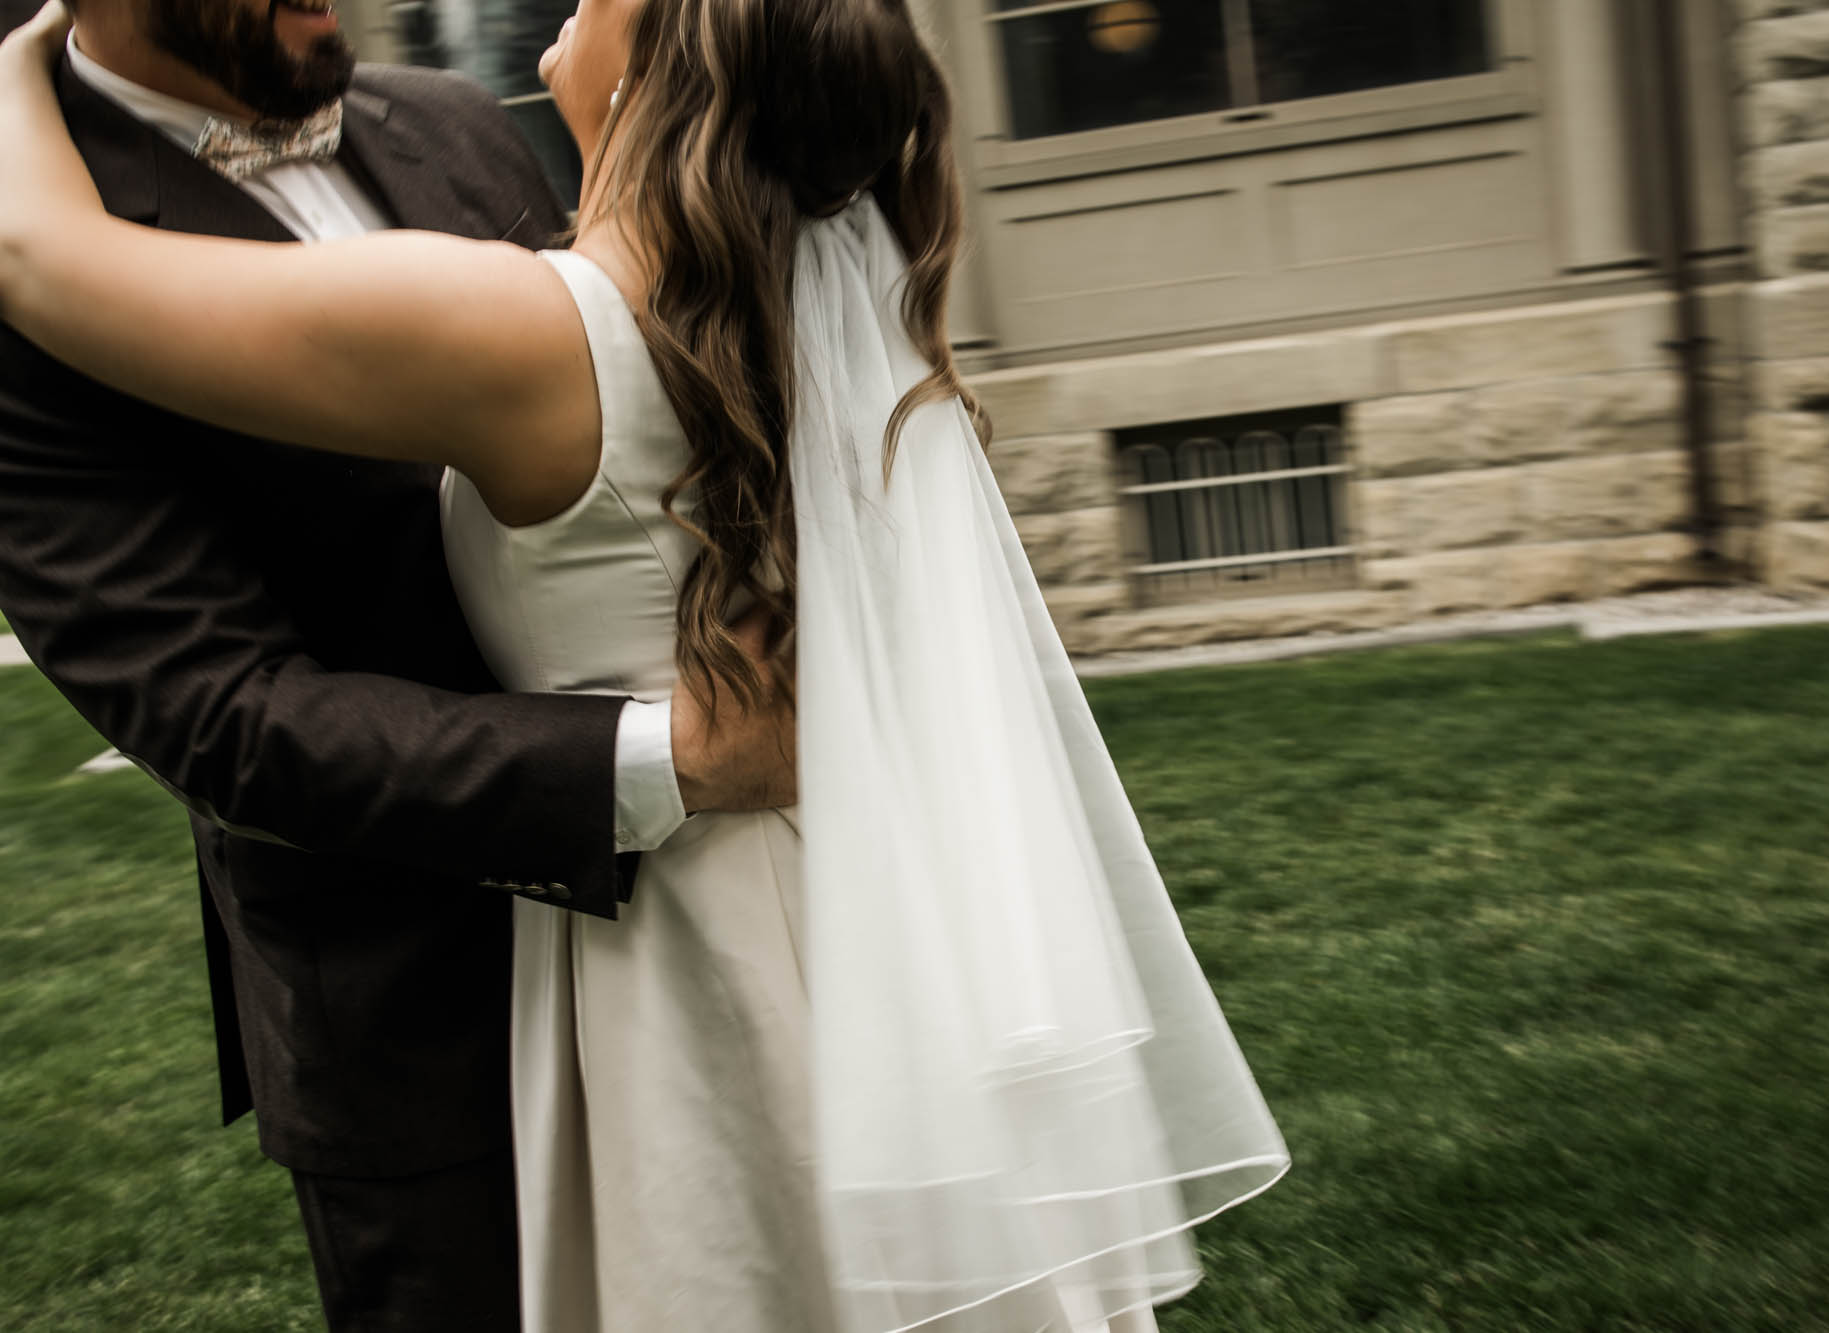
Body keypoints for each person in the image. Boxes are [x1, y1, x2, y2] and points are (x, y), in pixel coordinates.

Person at [0, 0, 1291, 1330]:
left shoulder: (485, 236)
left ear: (664, 79)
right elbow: (215, 713)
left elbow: (34, 252)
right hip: (451, 998)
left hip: (688, 963)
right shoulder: (809, 285)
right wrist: (667, 758)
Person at [0, 2, 795, 1330]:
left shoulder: (453, 121)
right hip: (417, 1023)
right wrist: (674, 761)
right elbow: (220, 715)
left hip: (706, 938)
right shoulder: (36, 254)